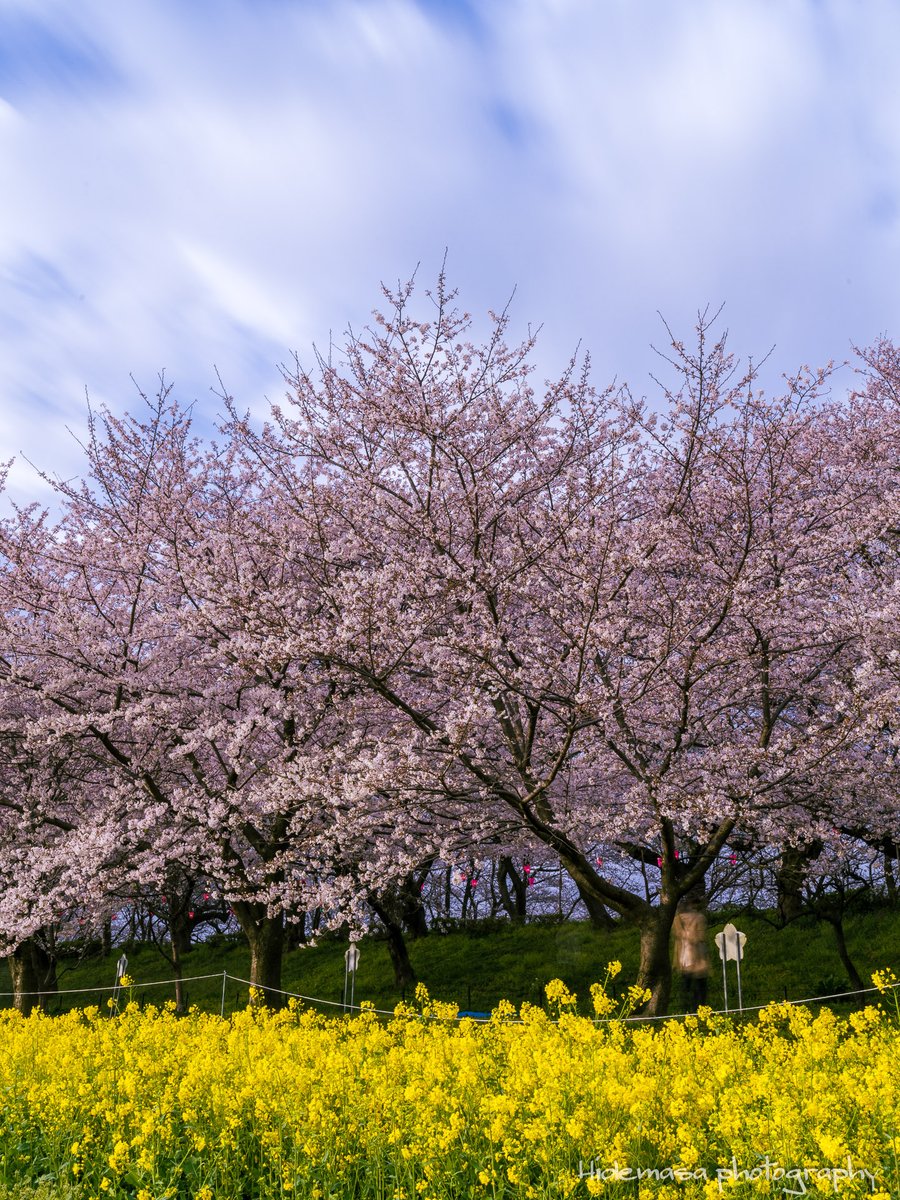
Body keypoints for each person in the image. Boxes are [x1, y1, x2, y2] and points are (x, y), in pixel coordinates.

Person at [672, 900, 710, 1012]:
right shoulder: (699, 918)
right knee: (699, 991)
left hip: (685, 960)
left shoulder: (677, 920)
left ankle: (686, 1013)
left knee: (686, 989)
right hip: (698, 960)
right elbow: (701, 937)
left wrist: (675, 962)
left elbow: (677, 943)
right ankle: (697, 1013)